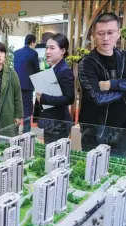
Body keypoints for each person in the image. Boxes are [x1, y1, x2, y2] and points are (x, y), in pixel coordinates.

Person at [78, 12, 126, 156]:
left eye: (110, 32)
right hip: (95, 131)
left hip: (122, 130)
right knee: (94, 172)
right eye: (100, 33)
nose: (105, 38)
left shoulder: (124, 58)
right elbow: (97, 98)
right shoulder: (87, 63)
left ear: (118, 34)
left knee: (119, 173)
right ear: (93, 35)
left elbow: (104, 91)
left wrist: (110, 84)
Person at [34, 33, 74, 144]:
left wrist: (43, 98)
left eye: (52, 48)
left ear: (63, 51)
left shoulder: (64, 70)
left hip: (58, 123)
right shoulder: (53, 68)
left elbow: (69, 98)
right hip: (51, 121)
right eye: (47, 48)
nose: (48, 51)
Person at [14, 34, 40, 133]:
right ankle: (26, 130)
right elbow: (37, 69)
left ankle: (15, 128)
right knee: (27, 108)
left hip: (17, 83)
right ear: (32, 42)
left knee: (17, 106)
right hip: (28, 85)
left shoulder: (16, 52)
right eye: (35, 43)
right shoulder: (33, 53)